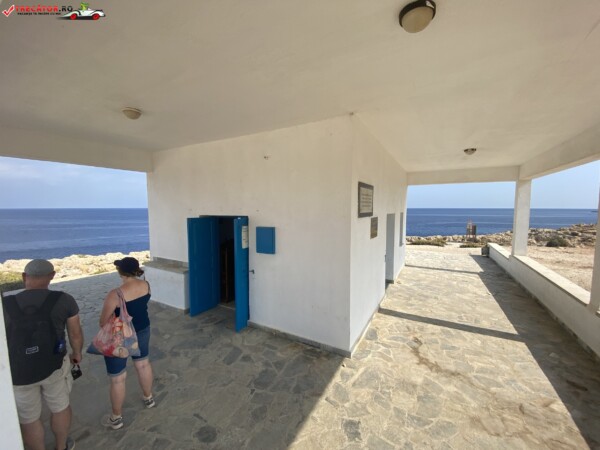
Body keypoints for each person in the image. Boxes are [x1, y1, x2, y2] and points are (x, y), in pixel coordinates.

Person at [2, 259, 83, 450]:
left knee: (29, 419)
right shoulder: (64, 300)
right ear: (52, 276)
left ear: (24, 276)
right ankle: (61, 446)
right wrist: (77, 353)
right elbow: (75, 333)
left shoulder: (5, 304)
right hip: (53, 365)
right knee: (60, 407)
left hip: (18, 371)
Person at [100, 257, 155, 430]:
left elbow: (103, 321)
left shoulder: (116, 294)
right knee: (143, 364)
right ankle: (148, 398)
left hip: (120, 335)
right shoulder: (146, 285)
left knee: (118, 378)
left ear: (121, 272)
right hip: (143, 329)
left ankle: (116, 418)